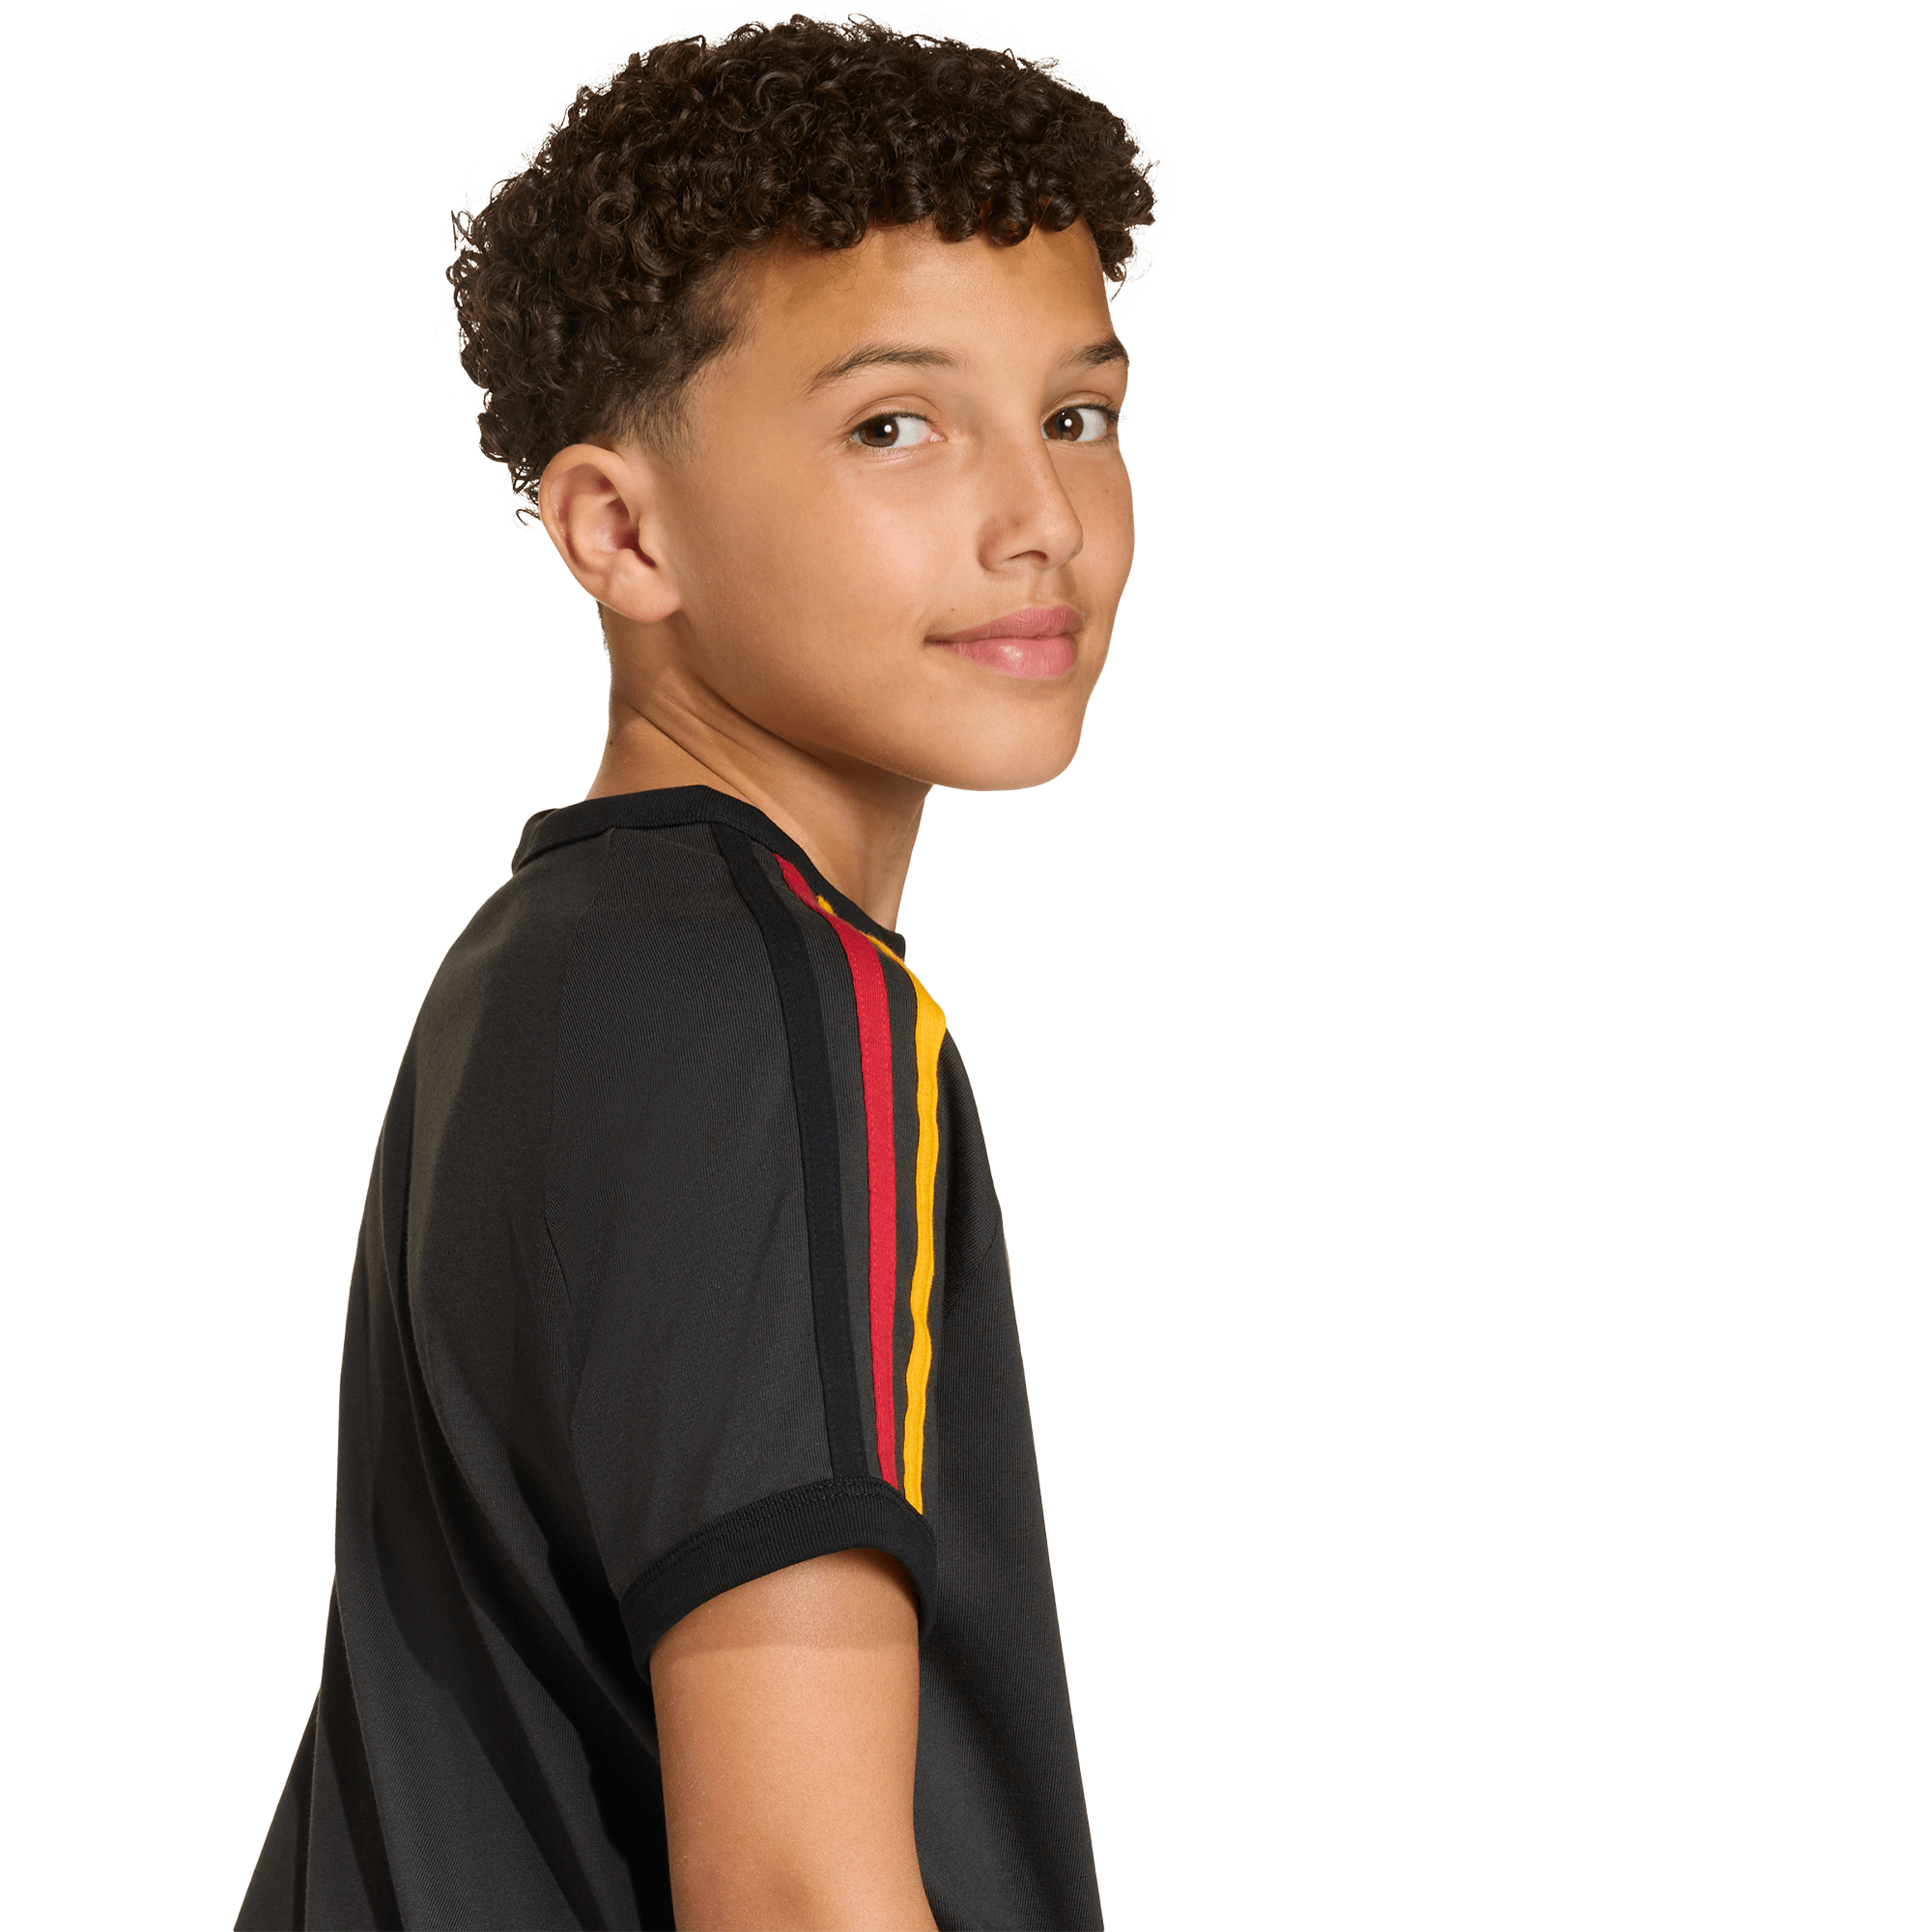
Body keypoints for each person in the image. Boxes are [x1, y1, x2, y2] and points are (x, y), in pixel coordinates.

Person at [238, 18, 1152, 1929]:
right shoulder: (780, 1012)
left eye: (1075, 416)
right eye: (895, 426)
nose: (1039, 522)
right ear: (619, 528)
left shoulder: (547, 971)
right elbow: (800, 1886)